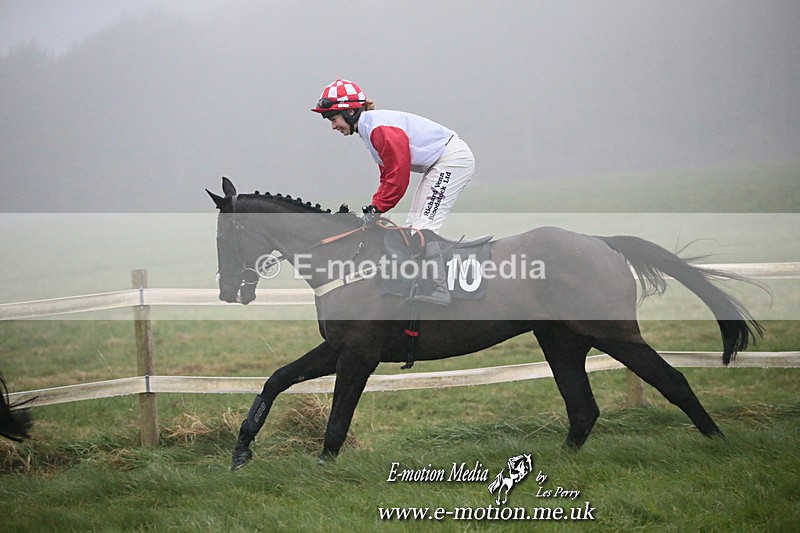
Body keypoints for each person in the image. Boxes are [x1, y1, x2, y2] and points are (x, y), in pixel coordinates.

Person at [311, 79, 475, 304]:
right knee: (413, 229)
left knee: (422, 227)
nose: (333, 126)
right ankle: (422, 283)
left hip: (451, 160)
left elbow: (398, 178)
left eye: (333, 119)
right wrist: (375, 204)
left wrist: (378, 207)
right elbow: (387, 175)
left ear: (349, 111)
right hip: (439, 162)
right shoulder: (369, 130)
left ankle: (439, 289)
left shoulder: (379, 129)